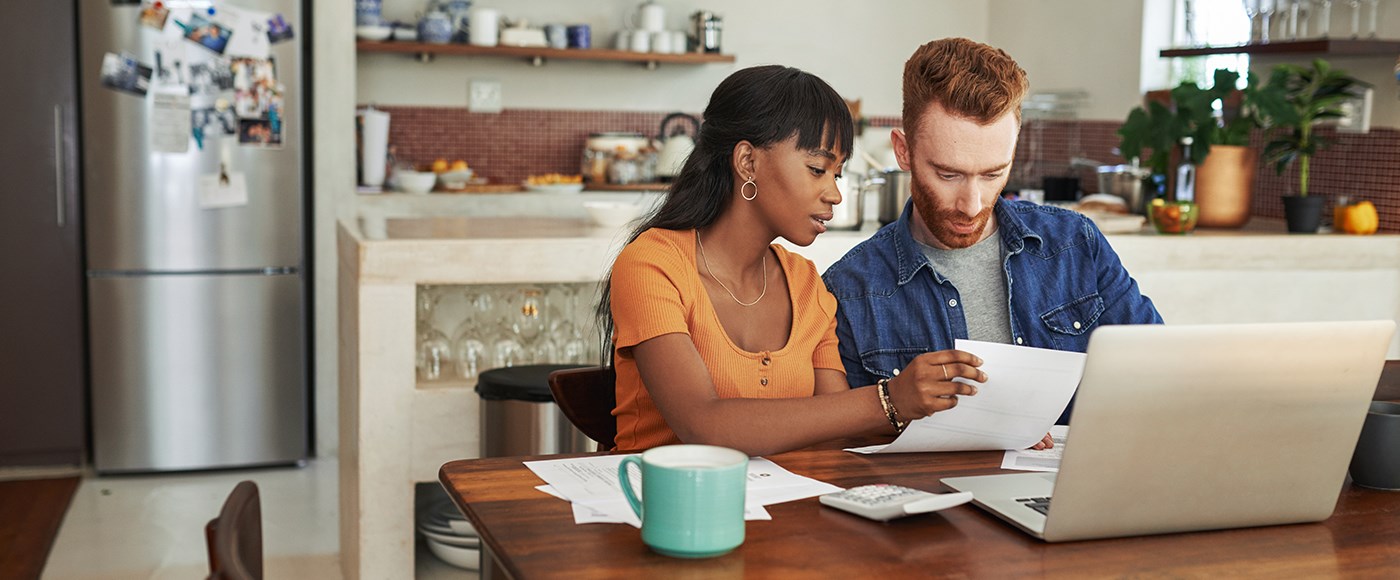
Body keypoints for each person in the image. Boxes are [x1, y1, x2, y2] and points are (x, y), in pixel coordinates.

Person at [598, 65, 987, 456]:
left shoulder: (806, 284)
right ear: (748, 162)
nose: (834, 193)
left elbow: (838, 431)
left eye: (837, 173)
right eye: (818, 169)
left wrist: (984, 428)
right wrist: (890, 399)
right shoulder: (653, 264)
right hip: (657, 507)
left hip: (785, 510)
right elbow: (703, 425)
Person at [822, 38, 1163, 425]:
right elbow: (846, 446)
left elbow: (1157, 370)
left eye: (993, 174)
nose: (971, 203)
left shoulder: (1076, 243)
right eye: (948, 174)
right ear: (903, 151)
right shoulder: (848, 290)